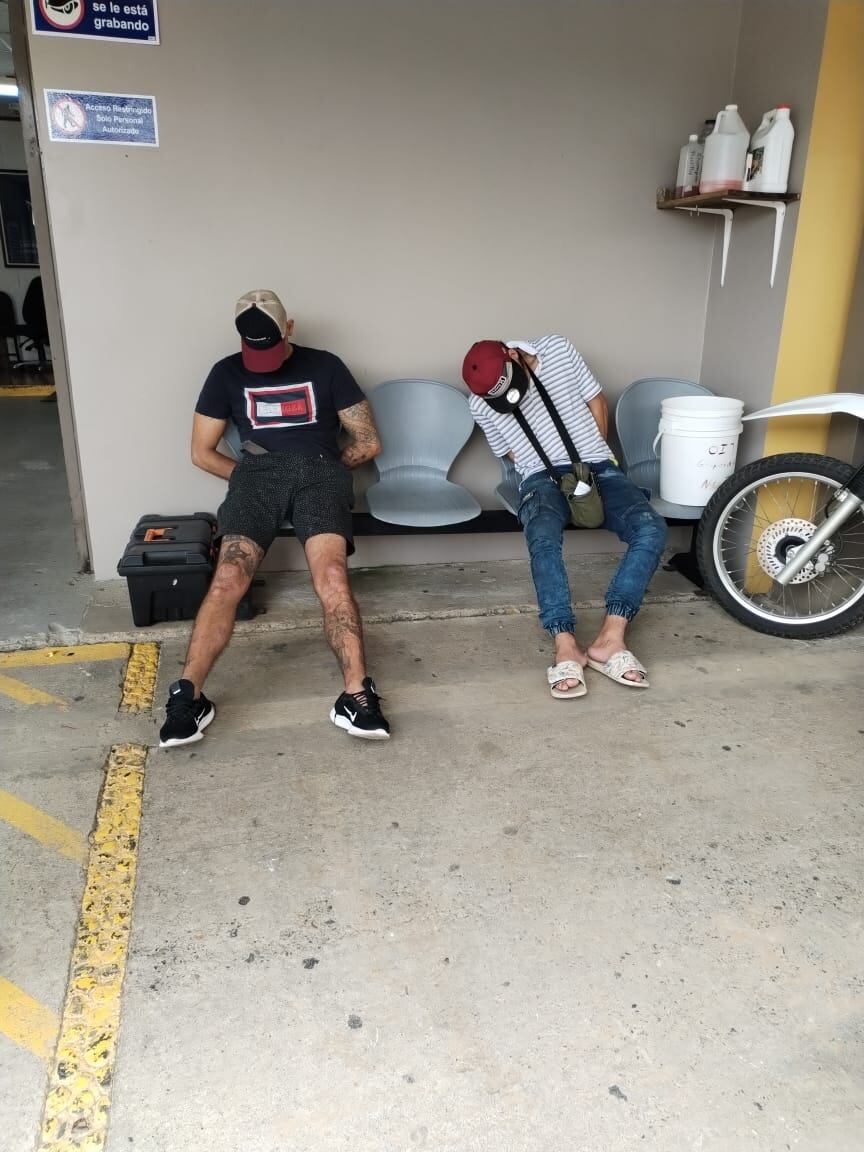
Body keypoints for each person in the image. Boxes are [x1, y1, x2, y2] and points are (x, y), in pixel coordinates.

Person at [159, 290, 390, 747]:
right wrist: (248, 475)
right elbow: (201, 453)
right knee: (228, 577)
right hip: (257, 476)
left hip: (320, 474)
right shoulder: (226, 372)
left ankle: (357, 696)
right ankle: (187, 696)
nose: (261, 358)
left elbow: (367, 441)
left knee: (333, 577)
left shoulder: (326, 365)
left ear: (290, 328)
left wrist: (322, 471)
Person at [462, 336, 667, 698]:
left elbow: (596, 401)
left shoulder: (558, 349)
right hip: (540, 480)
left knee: (651, 528)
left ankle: (611, 638)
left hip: (598, 468)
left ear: (513, 355)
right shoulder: (479, 403)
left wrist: (592, 463)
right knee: (542, 535)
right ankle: (564, 643)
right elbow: (509, 452)